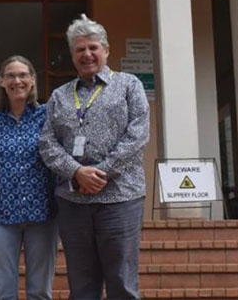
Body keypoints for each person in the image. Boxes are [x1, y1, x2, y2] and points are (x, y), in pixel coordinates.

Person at [39, 15, 150, 300]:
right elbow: (48, 143)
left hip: (120, 198)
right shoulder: (60, 96)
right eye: (80, 49)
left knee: (122, 281)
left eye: (93, 47)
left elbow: (138, 135)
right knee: (82, 284)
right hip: (73, 201)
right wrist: (77, 172)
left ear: (106, 50)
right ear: (72, 55)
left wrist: (100, 172)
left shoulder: (129, 85)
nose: (87, 54)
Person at [0, 56, 58, 300]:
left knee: (40, 291)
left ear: (32, 80)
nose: (16, 80)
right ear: (1, 81)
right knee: (1, 291)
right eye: (10, 75)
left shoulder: (48, 116)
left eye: (22, 75)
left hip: (43, 213)